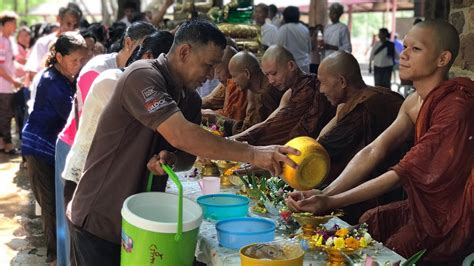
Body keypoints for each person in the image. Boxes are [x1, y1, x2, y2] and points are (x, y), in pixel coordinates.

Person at [68, 20, 299, 265]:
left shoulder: (189, 99)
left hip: (142, 220)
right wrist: (253, 154)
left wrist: (173, 159)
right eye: (208, 65)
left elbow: (186, 156)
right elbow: (182, 135)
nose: (211, 75)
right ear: (185, 52)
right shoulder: (142, 75)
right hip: (101, 218)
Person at [286, 20, 474, 263]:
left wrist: (331, 201)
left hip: (451, 214)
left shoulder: (456, 106)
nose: (403, 55)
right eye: (404, 46)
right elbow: (374, 150)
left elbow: (403, 172)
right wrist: (323, 193)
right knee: (370, 221)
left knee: (395, 246)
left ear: (442, 59)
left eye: (415, 49)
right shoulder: (413, 102)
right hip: (423, 206)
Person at [54, 21, 156, 266]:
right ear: (129, 43)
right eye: (143, 49)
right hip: (76, 148)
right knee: (71, 232)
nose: (145, 57)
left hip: (98, 158)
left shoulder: (130, 74)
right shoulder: (101, 72)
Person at [315, 51, 406, 223]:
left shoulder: (365, 108)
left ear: (342, 82)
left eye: (322, 83)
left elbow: (323, 149)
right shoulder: (376, 95)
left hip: (376, 195)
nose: (320, 90)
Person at [21, 32, 87, 264]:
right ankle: (54, 257)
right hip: (38, 149)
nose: (78, 65)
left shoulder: (65, 77)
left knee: (57, 203)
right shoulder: (51, 82)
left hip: (51, 148)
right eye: (74, 60)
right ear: (59, 57)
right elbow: (74, 117)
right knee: (51, 206)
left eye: (82, 60)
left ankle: (60, 253)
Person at [233, 45, 334, 146]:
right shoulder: (288, 94)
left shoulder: (312, 89)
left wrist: (236, 141)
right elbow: (268, 123)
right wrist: (233, 139)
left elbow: (276, 129)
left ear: (291, 66)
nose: (271, 81)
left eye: (274, 73)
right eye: (267, 75)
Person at [223, 51, 284, 135]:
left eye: (234, 76)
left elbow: (260, 131)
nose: (233, 81)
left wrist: (220, 120)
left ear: (247, 73)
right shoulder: (252, 89)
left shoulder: (265, 92)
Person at [24, 3, 82, 86]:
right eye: (68, 24)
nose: (71, 28)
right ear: (59, 19)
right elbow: (33, 72)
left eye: (75, 25)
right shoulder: (43, 43)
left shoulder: (79, 44)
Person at [201, 45, 248, 125]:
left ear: (231, 67)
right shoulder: (226, 83)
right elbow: (210, 100)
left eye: (219, 72)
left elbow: (232, 119)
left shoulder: (237, 84)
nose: (217, 77)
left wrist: (205, 114)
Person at [0, 11, 22, 154]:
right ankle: (7, 144)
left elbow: (13, 62)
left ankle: (3, 143)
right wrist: (13, 80)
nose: (15, 26)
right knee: (5, 115)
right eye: (13, 23)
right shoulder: (2, 41)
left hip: (8, 86)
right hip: (3, 86)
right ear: (6, 24)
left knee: (6, 115)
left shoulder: (10, 40)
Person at [275, 6, 311, 73]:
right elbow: (309, 49)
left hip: (290, 66)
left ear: (285, 17)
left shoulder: (284, 29)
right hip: (305, 65)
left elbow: (278, 48)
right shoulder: (304, 29)